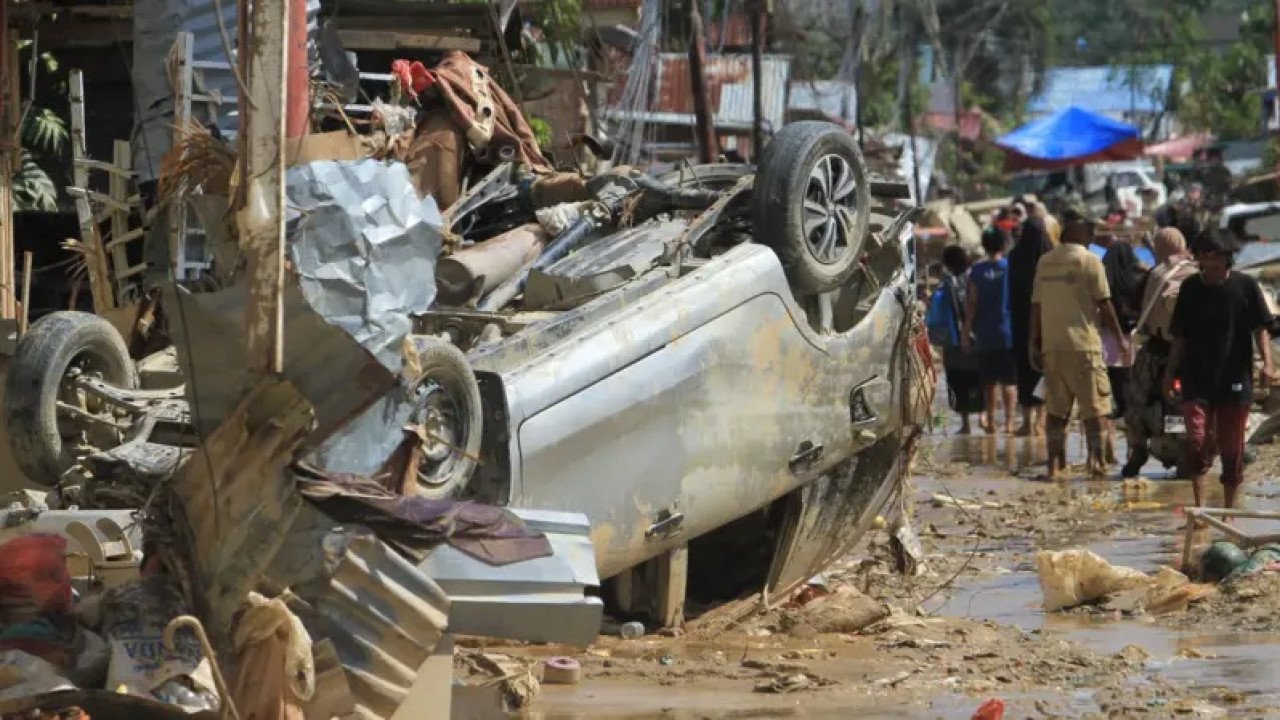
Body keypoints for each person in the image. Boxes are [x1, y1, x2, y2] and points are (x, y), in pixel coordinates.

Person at [1166, 231, 1278, 508]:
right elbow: (1180, 336)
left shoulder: (1245, 286)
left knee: (1232, 449)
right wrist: (1170, 372)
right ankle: (1200, 509)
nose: (1210, 262)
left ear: (1227, 258)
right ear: (1198, 259)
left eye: (1216, 256)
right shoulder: (1190, 288)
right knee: (1196, 443)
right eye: (1204, 256)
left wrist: (1268, 363)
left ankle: (1229, 512)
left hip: (1234, 376)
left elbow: (1260, 328)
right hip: (1195, 377)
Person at [1030, 205, 1131, 479]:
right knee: (1094, 410)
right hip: (1084, 346)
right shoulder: (1090, 261)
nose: (1093, 235)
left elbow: (1036, 305)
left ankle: (1054, 467)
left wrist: (1033, 342)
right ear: (1079, 230)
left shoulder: (1045, 262)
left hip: (1052, 347)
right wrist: (1120, 340)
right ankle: (1096, 464)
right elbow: (1105, 304)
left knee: (1056, 410)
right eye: (1091, 230)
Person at [1123, 227, 1197, 478]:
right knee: (1183, 404)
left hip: (1157, 352)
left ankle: (1137, 451)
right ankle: (1188, 454)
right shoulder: (1196, 271)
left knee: (1136, 401)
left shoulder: (1156, 273)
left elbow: (1143, 314)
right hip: (1190, 354)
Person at [963, 229, 1018, 434]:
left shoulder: (977, 271)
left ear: (984, 246)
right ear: (1004, 245)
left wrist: (965, 334)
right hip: (1009, 333)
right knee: (1010, 382)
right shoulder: (1010, 267)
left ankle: (992, 422)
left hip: (985, 334)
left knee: (989, 383)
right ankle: (1010, 422)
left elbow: (971, 304)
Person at [1008, 201, 1052, 436]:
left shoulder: (1015, 256)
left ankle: (1027, 422)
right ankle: (1041, 421)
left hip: (1021, 322)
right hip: (1048, 322)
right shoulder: (1051, 258)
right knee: (1044, 369)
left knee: (1025, 369)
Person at [935, 245, 984, 434]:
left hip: (953, 342)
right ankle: (983, 416)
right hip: (976, 338)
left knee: (958, 381)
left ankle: (965, 424)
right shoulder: (976, 278)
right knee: (978, 379)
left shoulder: (946, 283)